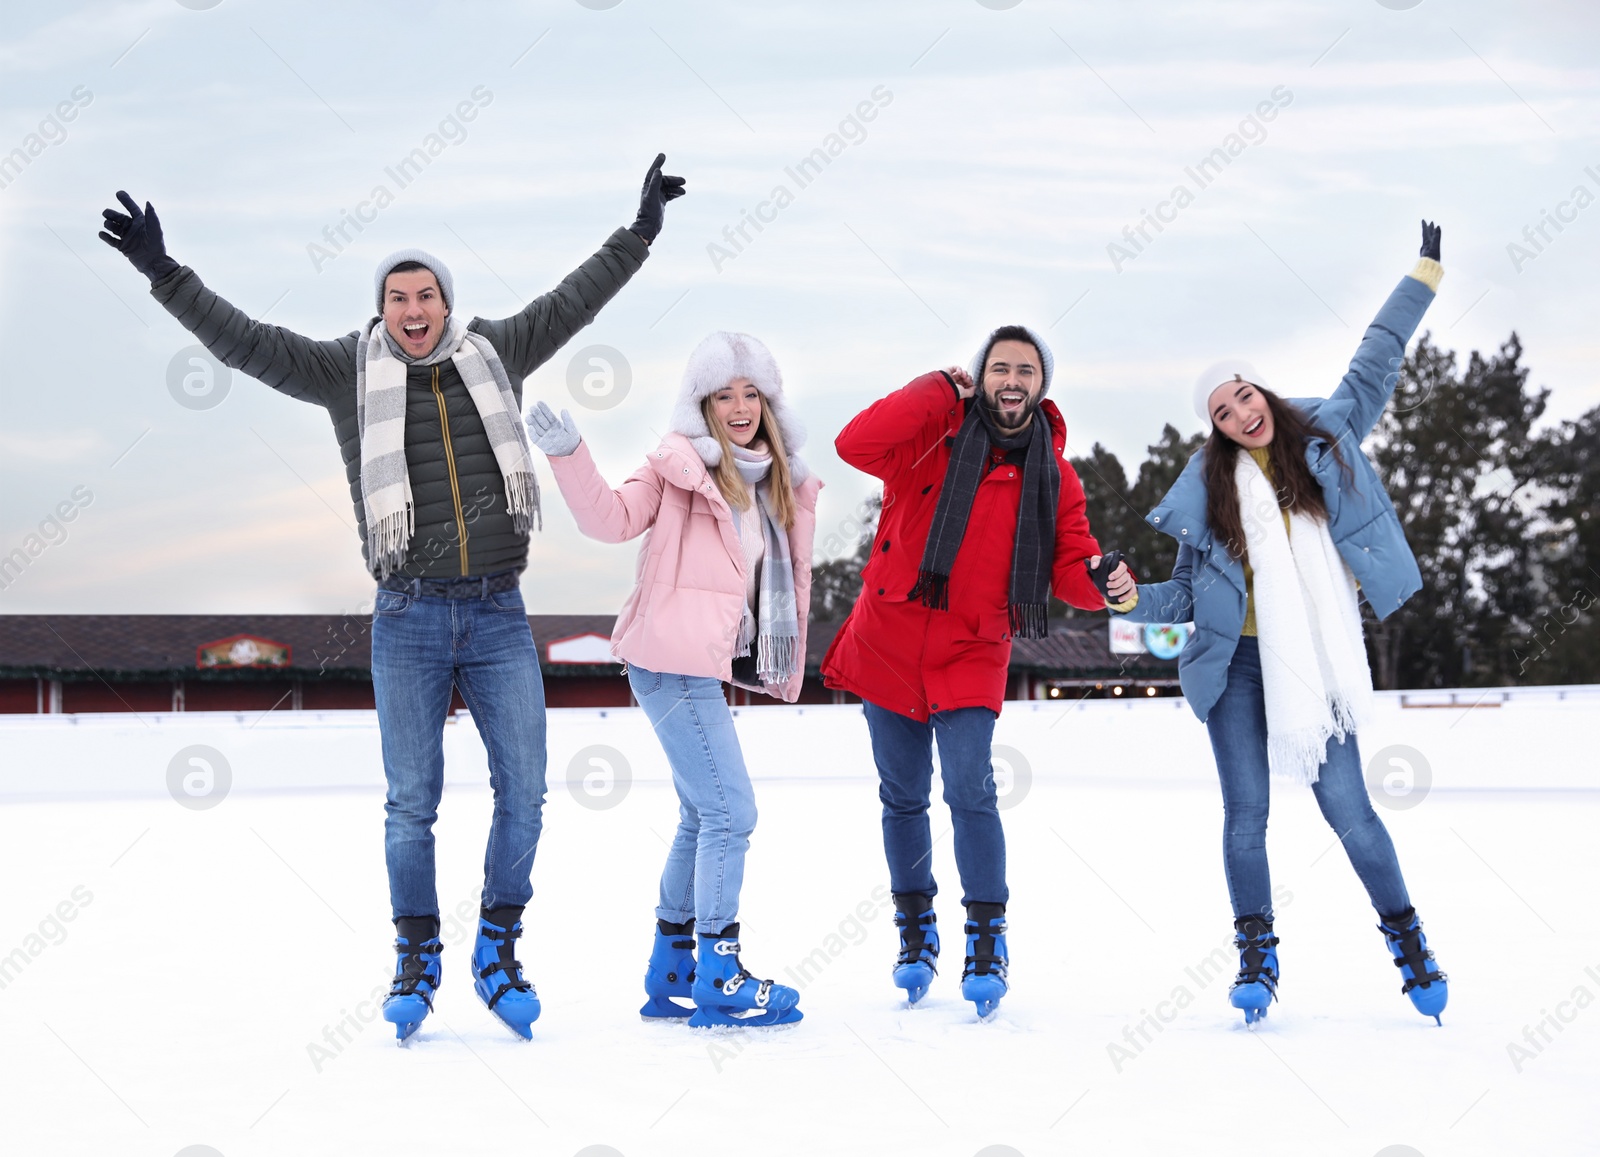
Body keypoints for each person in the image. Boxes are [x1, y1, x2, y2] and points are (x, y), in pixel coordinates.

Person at [96, 155, 686, 1043]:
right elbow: (246, 341)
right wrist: (164, 273)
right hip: (408, 615)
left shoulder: (498, 352)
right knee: (413, 800)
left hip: (496, 612)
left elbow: (577, 298)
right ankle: (417, 955)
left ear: (447, 302)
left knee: (524, 790)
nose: (413, 312)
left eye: (427, 296)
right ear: (382, 310)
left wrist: (638, 231)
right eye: (398, 298)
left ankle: (497, 944)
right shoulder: (346, 372)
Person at [1113, 222, 1450, 1026]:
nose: (1240, 413)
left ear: (1262, 391)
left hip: (1315, 667)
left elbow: (1378, 356)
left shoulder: (1327, 438)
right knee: (1247, 816)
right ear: (1216, 427)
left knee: (1350, 810)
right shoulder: (1215, 496)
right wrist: (1128, 597)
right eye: (1223, 412)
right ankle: (1257, 957)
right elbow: (1183, 597)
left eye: (1245, 395)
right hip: (1234, 668)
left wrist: (1424, 277)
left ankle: (1408, 940)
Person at [820, 325, 1134, 1019]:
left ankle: (986, 935)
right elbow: (853, 444)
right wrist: (934, 390)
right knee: (902, 796)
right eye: (1000, 367)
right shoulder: (930, 434)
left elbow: (1068, 565)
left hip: (972, 647)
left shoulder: (1055, 473)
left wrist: (1098, 577)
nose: (1013, 378)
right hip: (892, 639)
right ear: (979, 375)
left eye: (1026, 368)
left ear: (1042, 384)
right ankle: (915, 927)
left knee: (970, 789)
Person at [526, 331, 821, 1027]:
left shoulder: (780, 483)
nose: (741, 406)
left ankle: (672, 968)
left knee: (702, 813)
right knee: (732, 813)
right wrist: (570, 454)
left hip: (701, 665)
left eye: (752, 393)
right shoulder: (678, 466)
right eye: (726, 394)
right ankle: (718, 969)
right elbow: (612, 519)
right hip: (668, 662)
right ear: (703, 403)